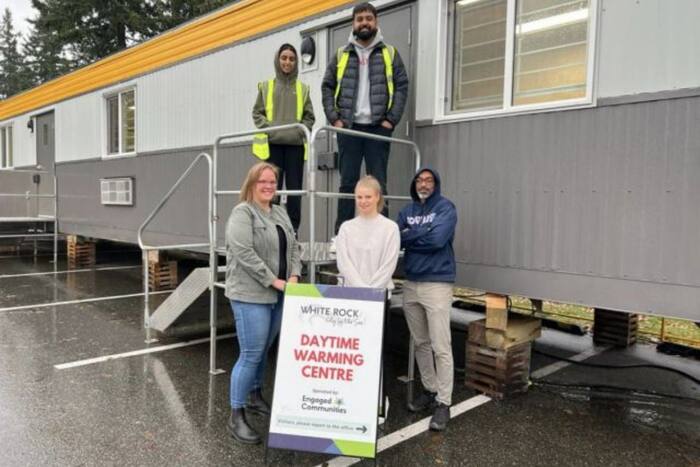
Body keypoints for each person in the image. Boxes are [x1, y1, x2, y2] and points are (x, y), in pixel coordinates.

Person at [225, 162, 302, 444]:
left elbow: (295, 245)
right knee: (251, 353)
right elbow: (244, 253)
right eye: (263, 182)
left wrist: (294, 274)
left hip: (281, 292)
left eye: (273, 182)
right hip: (250, 295)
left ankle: (255, 395)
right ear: (252, 184)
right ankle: (236, 414)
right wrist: (275, 281)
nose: (269, 186)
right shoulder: (242, 213)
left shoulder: (279, 211)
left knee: (263, 349)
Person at [321, 2, 409, 234]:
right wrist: (335, 120)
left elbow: (402, 86)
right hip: (349, 129)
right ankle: (341, 236)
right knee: (347, 184)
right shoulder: (341, 54)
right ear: (353, 24)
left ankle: (382, 234)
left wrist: (391, 120)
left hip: (378, 128)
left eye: (368, 18)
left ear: (376, 22)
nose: (364, 23)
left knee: (378, 183)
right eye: (359, 19)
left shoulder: (389, 53)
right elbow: (327, 86)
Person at [397, 168, 457, 432]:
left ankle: (444, 403)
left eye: (429, 180)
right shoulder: (406, 211)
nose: (424, 184)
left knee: (440, 345)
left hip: (437, 283)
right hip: (411, 283)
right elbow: (398, 237)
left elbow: (437, 240)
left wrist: (412, 236)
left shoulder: (446, 208)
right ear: (414, 184)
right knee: (420, 342)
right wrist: (415, 235)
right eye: (420, 180)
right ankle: (430, 390)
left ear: (436, 184)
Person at [252, 43, 315, 233]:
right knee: (271, 190)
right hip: (273, 146)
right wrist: (271, 129)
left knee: (295, 192)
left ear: (296, 62)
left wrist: (297, 131)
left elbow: (310, 117)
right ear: (277, 60)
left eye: (291, 59)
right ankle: (271, 230)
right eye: (284, 58)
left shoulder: (303, 89)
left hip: (295, 147)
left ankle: (293, 232)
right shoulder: (266, 87)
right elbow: (257, 114)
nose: (287, 62)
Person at [335, 175, 400, 290]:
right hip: (349, 295)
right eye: (359, 197)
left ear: (377, 197)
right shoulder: (345, 228)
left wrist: (371, 291)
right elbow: (343, 264)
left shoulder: (391, 228)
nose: (363, 201)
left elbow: (388, 265)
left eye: (368, 197)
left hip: (380, 295)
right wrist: (362, 290)